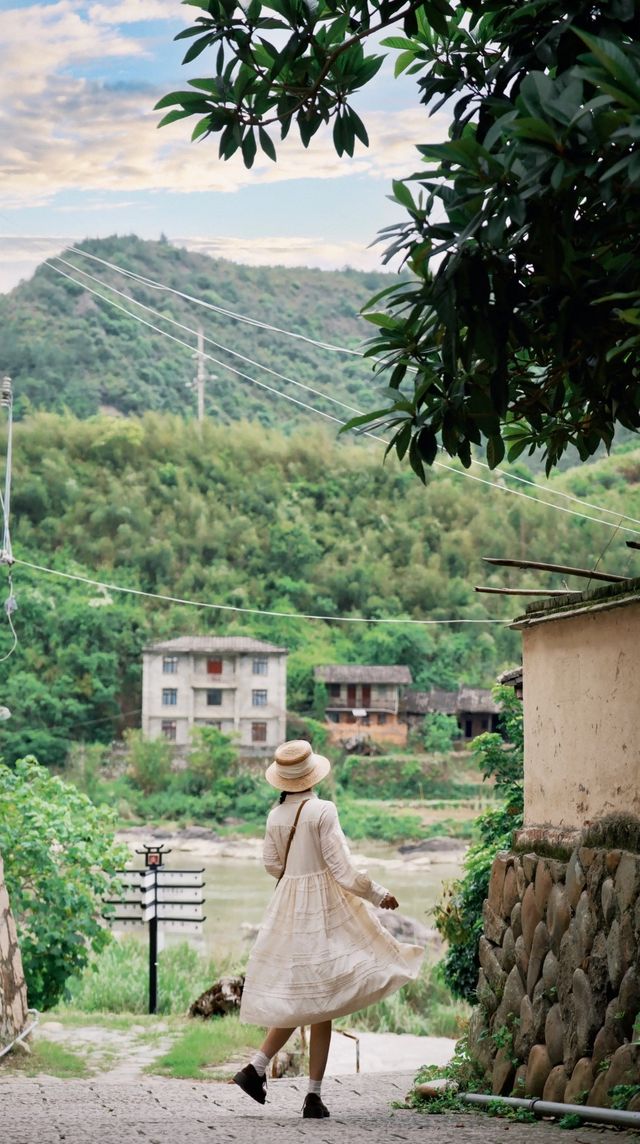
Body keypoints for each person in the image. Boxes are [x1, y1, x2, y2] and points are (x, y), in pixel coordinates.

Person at [233, 739, 424, 1118]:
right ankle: (302, 1090)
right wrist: (378, 893)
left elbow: (273, 865)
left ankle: (266, 1072)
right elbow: (343, 870)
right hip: (322, 911)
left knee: (314, 998)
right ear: (312, 774)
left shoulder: (275, 816)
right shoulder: (323, 810)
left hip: (288, 911)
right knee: (320, 999)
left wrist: (299, 870)